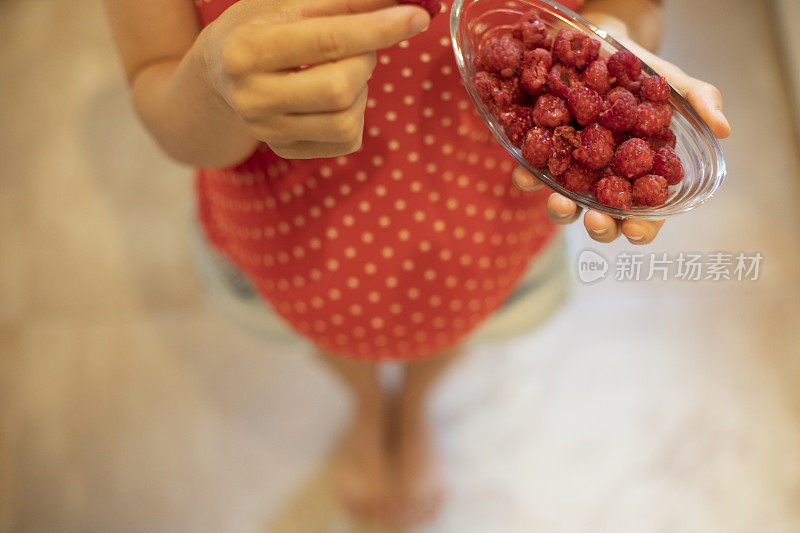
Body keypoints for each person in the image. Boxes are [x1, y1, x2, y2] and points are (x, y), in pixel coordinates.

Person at [103, 0, 730, 527]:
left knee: (460, 329)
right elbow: (160, 88)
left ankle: (414, 404)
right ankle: (370, 405)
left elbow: (631, 7)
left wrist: (609, 45)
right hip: (288, 235)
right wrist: (215, 82)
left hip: (492, 225)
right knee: (335, 344)